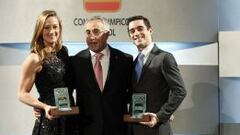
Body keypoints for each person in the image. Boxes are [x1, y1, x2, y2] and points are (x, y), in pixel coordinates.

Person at [18, 10, 78, 135]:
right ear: (40, 30)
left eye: (55, 27)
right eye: (47, 27)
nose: (52, 31)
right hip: (50, 118)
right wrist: (43, 106)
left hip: (70, 117)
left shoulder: (63, 51)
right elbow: (22, 94)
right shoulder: (34, 59)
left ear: (60, 28)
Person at [70, 16, 133, 135]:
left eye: (96, 31)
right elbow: (64, 90)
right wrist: (42, 107)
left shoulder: (125, 60)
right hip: (87, 128)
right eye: (88, 32)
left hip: (118, 128)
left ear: (107, 34)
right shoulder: (76, 61)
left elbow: (135, 91)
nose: (91, 36)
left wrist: (157, 111)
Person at [126, 15, 187, 135]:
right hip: (135, 127)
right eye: (132, 31)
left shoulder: (164, 57)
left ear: (150, 30)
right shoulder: (133, 62)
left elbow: (180, 91)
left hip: (157, 128)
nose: (136, 33)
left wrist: (162, 115)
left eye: (140, 28)